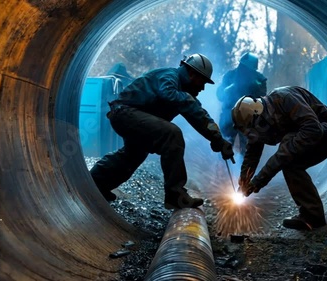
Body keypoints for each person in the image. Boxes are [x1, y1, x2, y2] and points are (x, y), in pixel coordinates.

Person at [90, 53, 234, 209]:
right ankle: (175, 195)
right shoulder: (169, 76)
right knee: (172, 134)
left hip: (132, 117)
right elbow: (168, 94)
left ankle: (95, 184)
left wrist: (218, 139)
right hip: (124, 113)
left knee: (132, 156)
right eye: (202, 82)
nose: (202, 87)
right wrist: (188, 101)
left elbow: (199, 114)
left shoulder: (183, 92)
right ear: (192, 74)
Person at [232, 86, 327, 230]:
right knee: (291, 162)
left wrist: (260, 180)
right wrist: (244, 182)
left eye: (252, 130)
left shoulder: (284, 98)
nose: (252, 135)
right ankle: (312, 216)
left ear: (258, 116)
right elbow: (252, 152)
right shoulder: (259, 120)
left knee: (288, 154)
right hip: (311, 136)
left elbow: (313, 129)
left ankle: (312, 217)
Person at [216, 52, 267, 155]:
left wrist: (255, 88)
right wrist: (231, 88)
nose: (244, 71)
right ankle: (221, 168)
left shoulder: (259, 80)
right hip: (229, 116)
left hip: (248, 119)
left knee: (247, 149)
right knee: (225, 144)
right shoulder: (230, 76)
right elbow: (220, 95)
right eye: (242, 67)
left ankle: (244, 169)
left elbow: (262, 100)